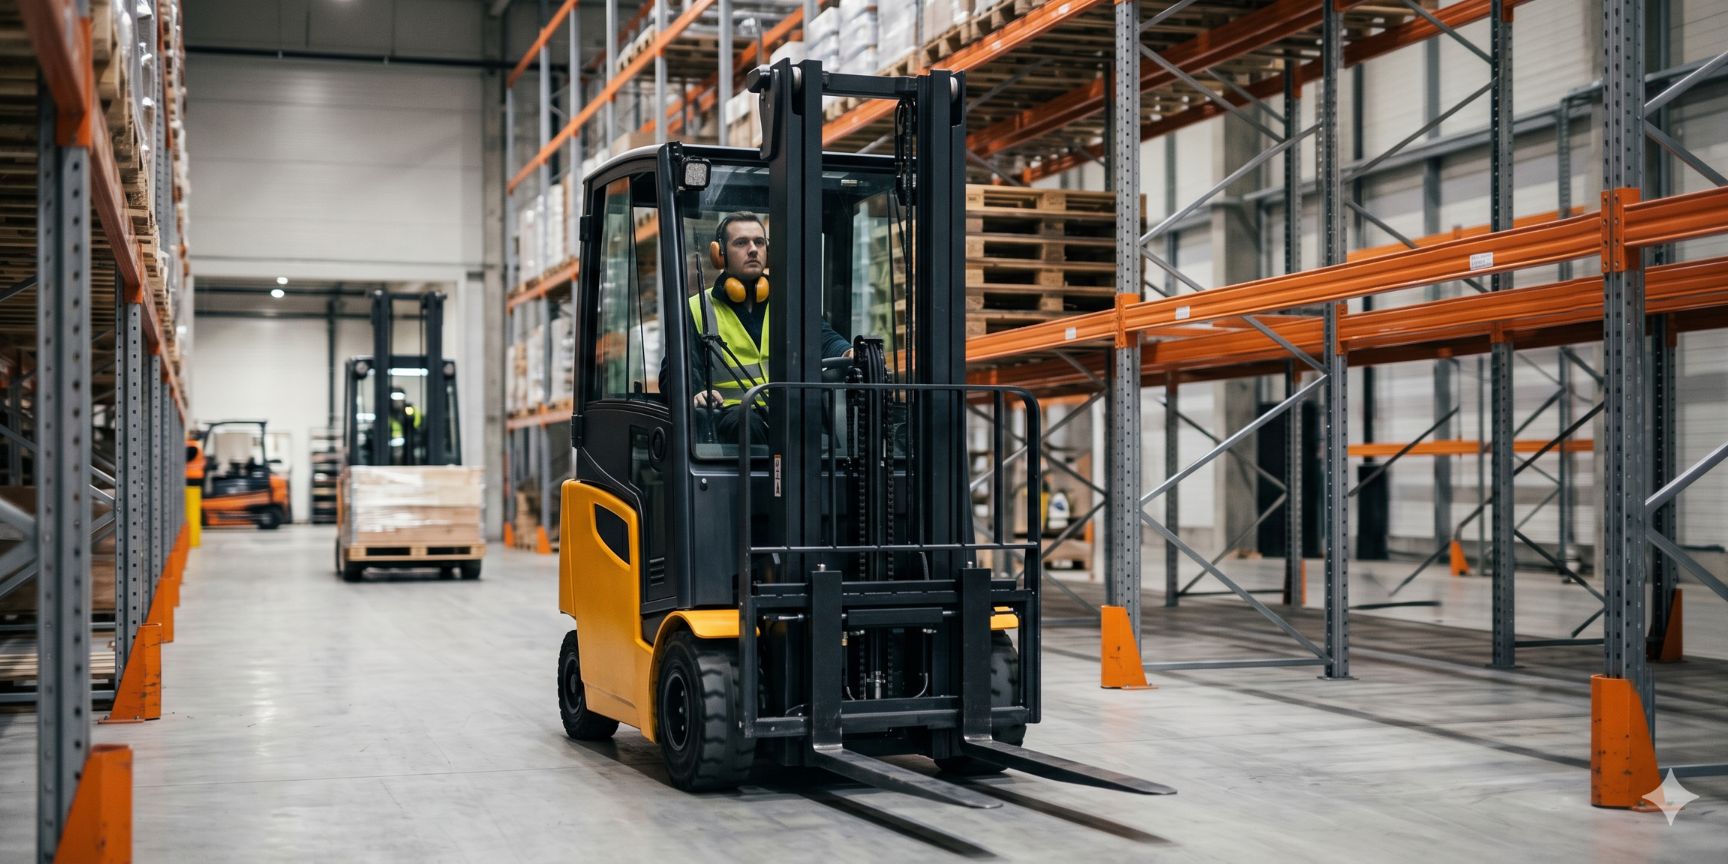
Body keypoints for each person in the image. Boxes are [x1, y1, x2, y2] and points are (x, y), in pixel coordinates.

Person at [682, 211, 851, 445]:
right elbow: (676, 370)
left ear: (768, 251)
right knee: (747, 424)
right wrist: (697, 391)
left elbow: (824, 338)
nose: (752, 249)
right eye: (741, 243)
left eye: (759, 242)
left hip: (786, 413)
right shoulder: (698, 308)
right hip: (732, 419)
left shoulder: (789, 302)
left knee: (821, 431)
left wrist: (847, 352)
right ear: (719, 254)